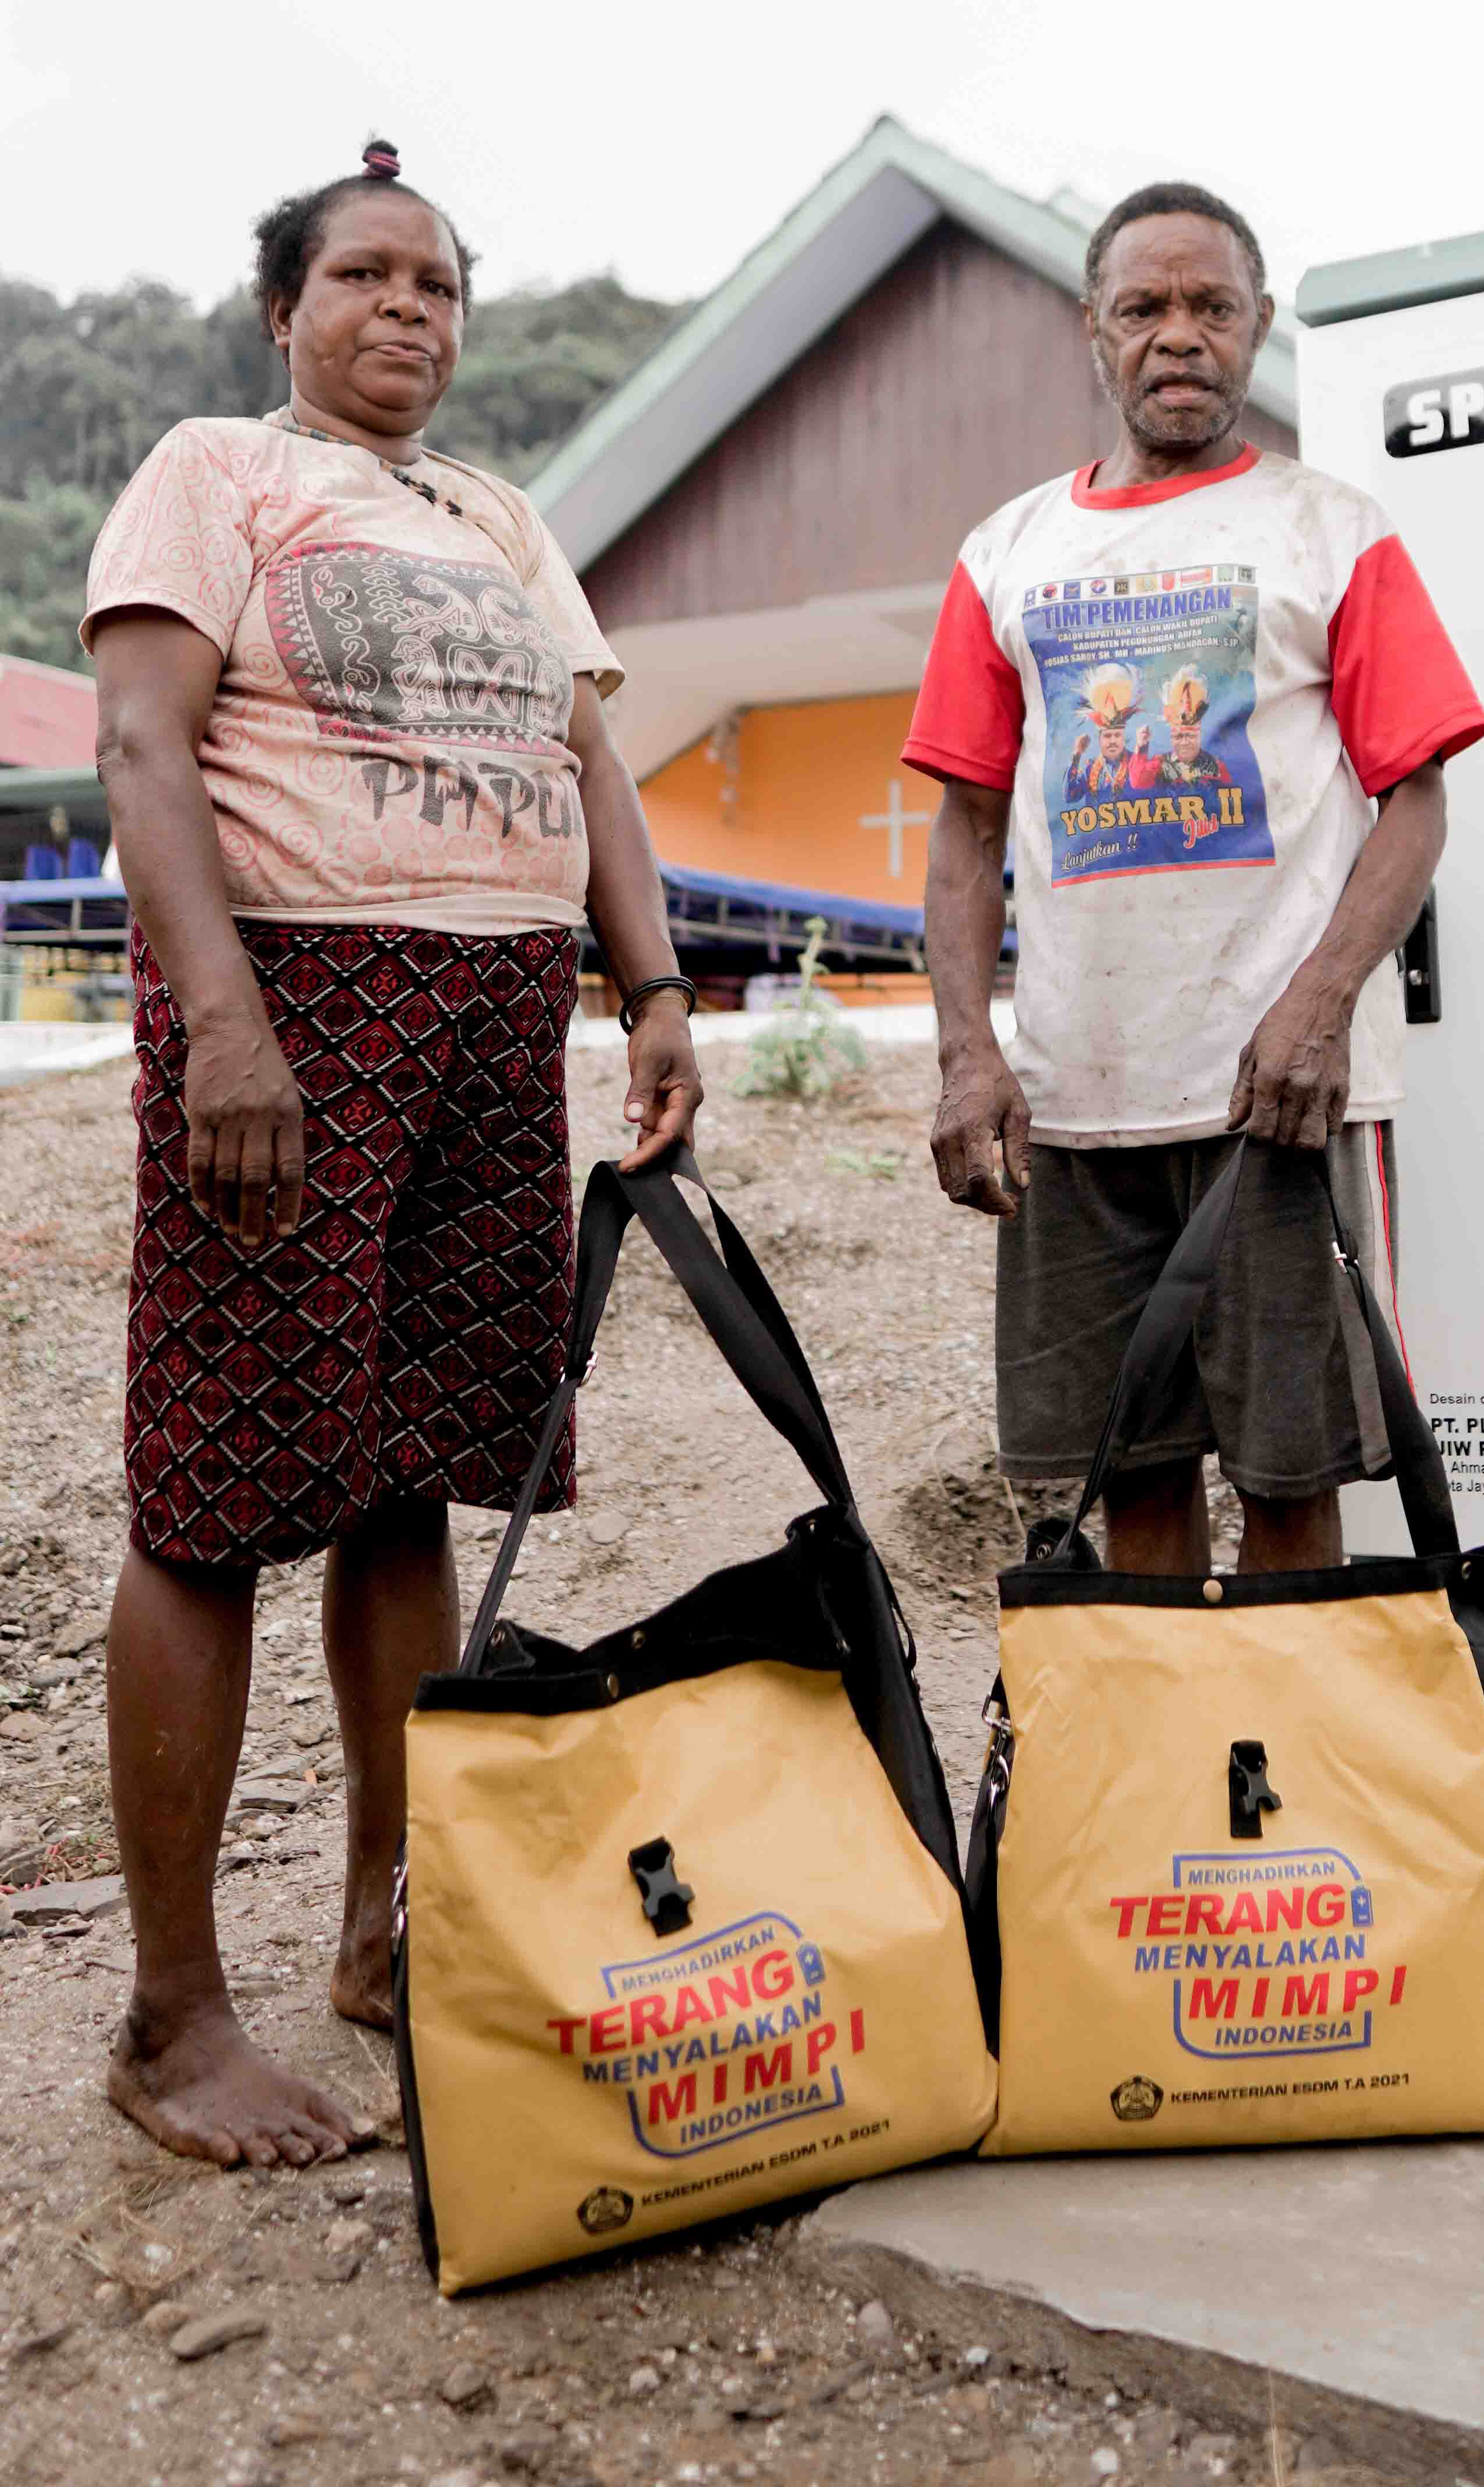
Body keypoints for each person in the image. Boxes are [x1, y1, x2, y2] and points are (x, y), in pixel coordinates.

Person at [84, 142, 702, 2171]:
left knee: (418, 1470)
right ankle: (176, 2024)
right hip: (297, 1005)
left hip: (494, 1018)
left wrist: (657, 987)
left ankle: (384, 1929)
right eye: (362, 276)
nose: (407, 310)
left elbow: (587, 758)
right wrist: (228, 1026)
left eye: (437, 282)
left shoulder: (496, 514)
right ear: (286, 310)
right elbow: (145, 750)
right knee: (215, 1488)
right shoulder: (215, 470)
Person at [904, 180, 1484, 1577]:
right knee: (1130, 1476)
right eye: (1143, 308)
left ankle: (1286, 1793)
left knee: (1293, 1481)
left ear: (1257, 327)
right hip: (1072, 1104)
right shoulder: (1008, 554)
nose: (1179, 335)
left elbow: (1414, 796)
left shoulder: (1329, 531)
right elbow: (965, 831)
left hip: (1271, 1101)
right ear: (1092, 335)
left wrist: (1320, 1006)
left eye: (1210, 307)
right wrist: (965, 1054)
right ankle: (1173, 1793)